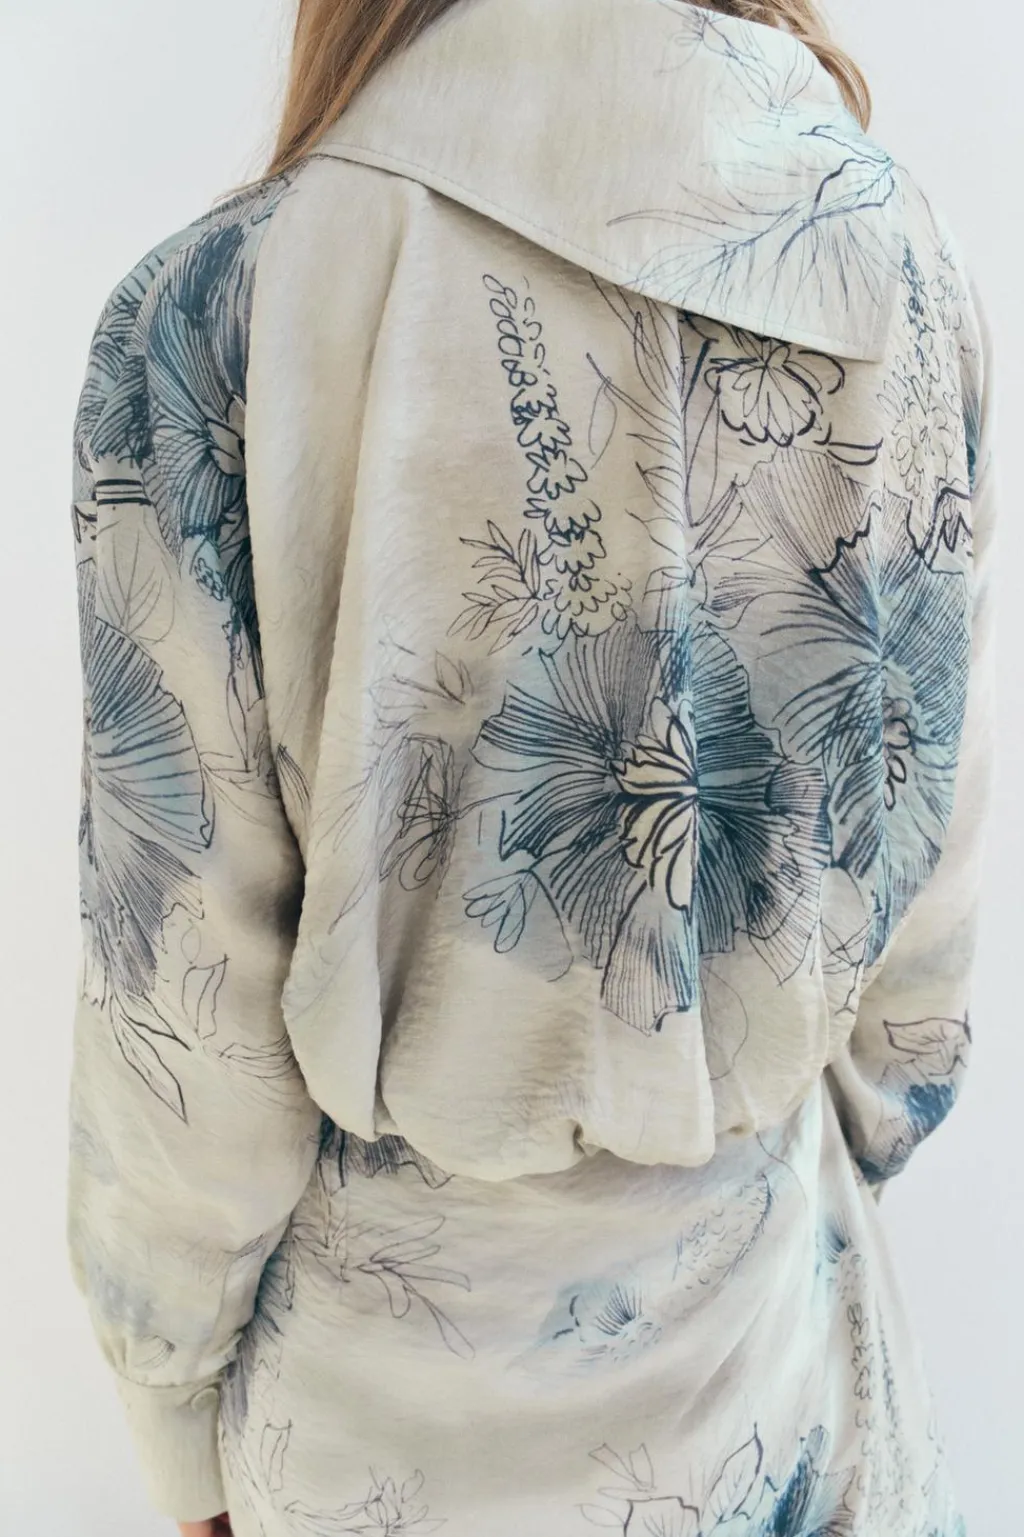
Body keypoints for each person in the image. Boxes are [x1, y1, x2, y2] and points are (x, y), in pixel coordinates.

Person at [67, 1, 995, 1534]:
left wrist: (169, 1399)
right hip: (767, 1374)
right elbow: (921, 909)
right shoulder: (893, 258)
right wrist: (824, 1116)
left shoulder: (220, 310)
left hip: (376, 1426)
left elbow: (181, 1006)